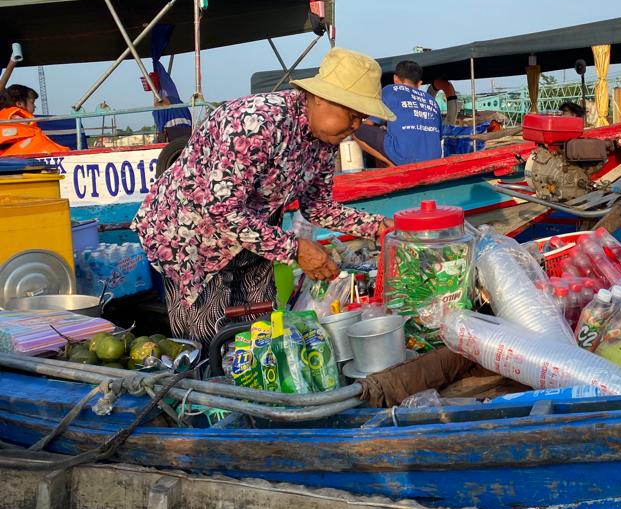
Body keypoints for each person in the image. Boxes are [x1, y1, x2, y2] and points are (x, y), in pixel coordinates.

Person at [130, 48, 395, 344]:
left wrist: (376, 226)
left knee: (264, 340)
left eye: (362, 117)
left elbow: (317, 207)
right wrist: (296, 250)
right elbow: (221, 210)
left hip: (254, 238)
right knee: (210, 345)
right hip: (192, 240)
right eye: (352, 114)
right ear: (320, 97)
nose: (356, 126)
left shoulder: (324, 141)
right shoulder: (259, 123)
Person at [355, 60, 442, 166]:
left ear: (395, 79)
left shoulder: (390, 90)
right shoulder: (431, 100)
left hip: (403, 158)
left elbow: (369, 123)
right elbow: (438, 136)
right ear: (419, 84)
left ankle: (391, 164)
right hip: (434, 160)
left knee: (356, 128)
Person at [0, 84, 68, 155]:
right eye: (32, 103)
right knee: (39, 139)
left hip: (10, 155)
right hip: (15, 155)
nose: (35, 106)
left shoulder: (5, 116)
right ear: (19, 104)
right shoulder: (17, 119)